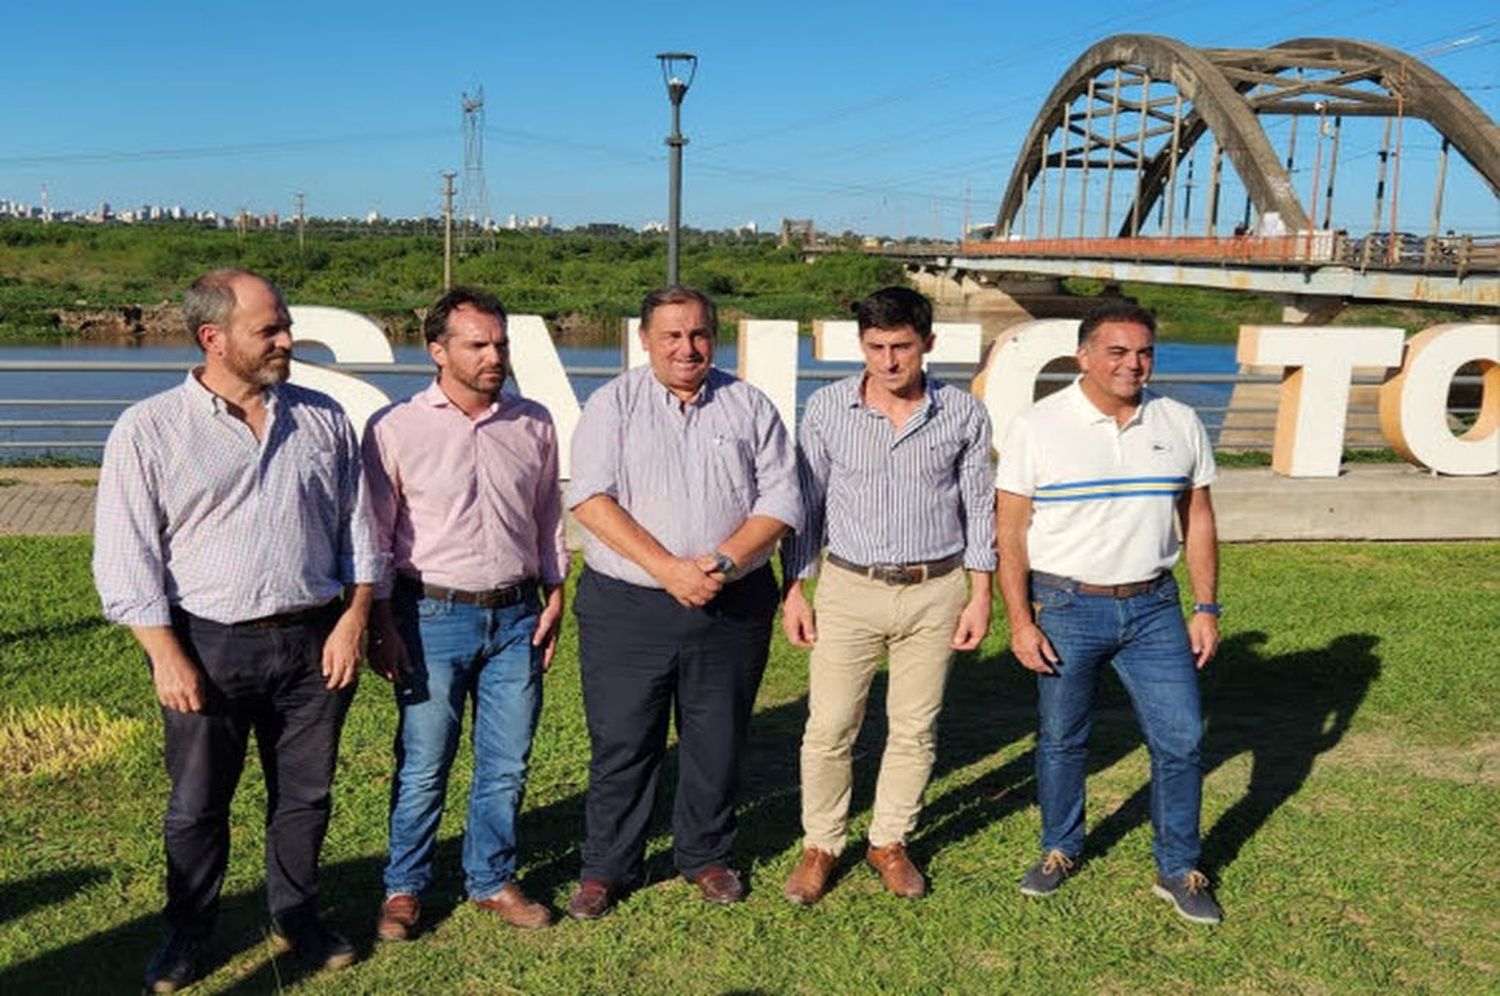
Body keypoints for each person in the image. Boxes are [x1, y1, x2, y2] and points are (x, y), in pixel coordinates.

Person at [93, 269, 381, 992]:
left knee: (306, 798)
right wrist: (166, 654)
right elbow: (127, 556)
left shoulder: (323, 417)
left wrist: (353, 619)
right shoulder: (150, 429)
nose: (288, 339)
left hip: (314, 643)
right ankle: (189, 935)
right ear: (212, 338)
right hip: (207, 645)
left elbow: (360, 531)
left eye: (285, 325)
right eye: (271, 330)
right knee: (196, 806)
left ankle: (297, 917)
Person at [565, 285, 801, 918]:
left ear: (713, 336)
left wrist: (720, 561)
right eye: (671, 335)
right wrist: (668, 569)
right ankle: (606, 867)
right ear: (644, 339)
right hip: (629, 605)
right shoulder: (612, 404)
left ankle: (706, 855)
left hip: (731, 598)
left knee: (716, 736)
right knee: (622, 739)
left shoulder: (749, 405)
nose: (686, 347)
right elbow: (590, 499)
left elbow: (780, 501)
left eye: (697, 334)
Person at [994, 301, 1224, 925]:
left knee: (1181, 739)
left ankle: (1179, 867)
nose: (1134, 364)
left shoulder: (1178, 421)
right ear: (1084, 356)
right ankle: (1060, 848)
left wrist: (1205, 606)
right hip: (1067, 604)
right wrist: (1020, 621)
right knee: (1064, 739)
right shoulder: (1038, 426)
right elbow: (1010, 530)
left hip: (1154, 607)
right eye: (1118, 352)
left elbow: (1196, 516)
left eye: (1144, 351)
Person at [362, 287, 568, 939]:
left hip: (516, 618)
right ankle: (404, 886)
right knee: (425, 761)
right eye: (477, 344)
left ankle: (491, 879)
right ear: (437, 350)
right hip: (429, 616)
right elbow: (374, 532)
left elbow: (546, 518)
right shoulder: (395, 427)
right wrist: (379, 621)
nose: (493, 355)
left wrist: (557, 591)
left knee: (506, 763)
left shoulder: (534, 422)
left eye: (500, 343)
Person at [779, 286, 995, 905]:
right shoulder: (825, 409)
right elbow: (807, 506)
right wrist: (795, 589)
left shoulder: (963, 413)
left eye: (901, 346)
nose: (889, 361)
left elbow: (979, 507)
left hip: (936, 588)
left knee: (914, 729)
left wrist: (981, 595)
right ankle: (821, 844)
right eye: (876, 347)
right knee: (829, 727)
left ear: (928, 343)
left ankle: (890, 840)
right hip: (849, 587)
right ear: (861, 346)